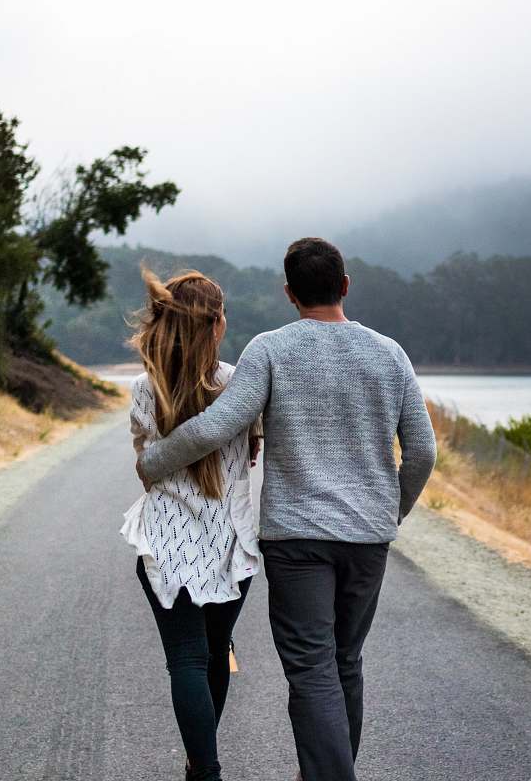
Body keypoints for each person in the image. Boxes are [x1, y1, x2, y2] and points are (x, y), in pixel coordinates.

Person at [136, 237, 437, 781]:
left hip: (298, 541)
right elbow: (423, 452)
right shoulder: (390, 353)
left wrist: (154, 462)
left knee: (312, 668)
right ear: (344, 286)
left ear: (289, 294)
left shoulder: (272, 349)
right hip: (368, 540)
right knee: (346, 661)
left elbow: (216, 426)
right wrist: (390, 513)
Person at [120, 267, 262, 781]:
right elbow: (251, 452)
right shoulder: (238, 386)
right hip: (230, 546)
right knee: (214, 655)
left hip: (165, 543)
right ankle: (201, 763)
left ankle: (205, 767)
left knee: (185, 658)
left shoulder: (143, 386)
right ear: (217, 324)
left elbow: (145, 460)